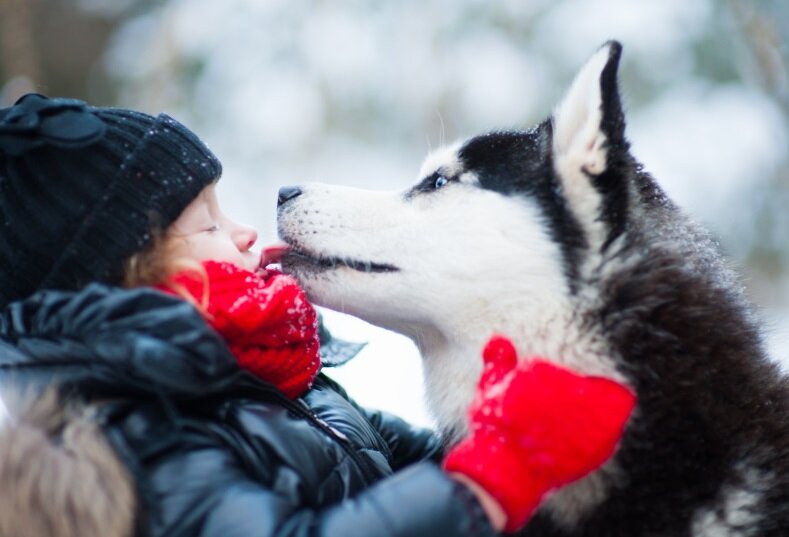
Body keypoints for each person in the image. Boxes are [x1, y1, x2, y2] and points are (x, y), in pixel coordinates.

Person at [0, 94, 635, 536]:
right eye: (209, 224)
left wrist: (499, 421)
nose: (246, 232)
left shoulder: (262, 376)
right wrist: (490, 479)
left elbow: (398, 466)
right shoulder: (129, 430)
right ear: (130, 274)